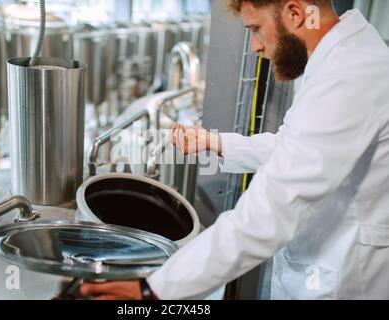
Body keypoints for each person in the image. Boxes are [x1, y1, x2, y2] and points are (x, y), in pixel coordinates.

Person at [79, 0, 389, 300]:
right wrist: (214, 142)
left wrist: (155, 290)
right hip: (316, 267)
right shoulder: (334, 59)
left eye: (256, 28)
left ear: (295, 13)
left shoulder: (348, 76)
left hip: (343, 279)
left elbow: (274, 205)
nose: (255, 46)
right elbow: (293, 147)